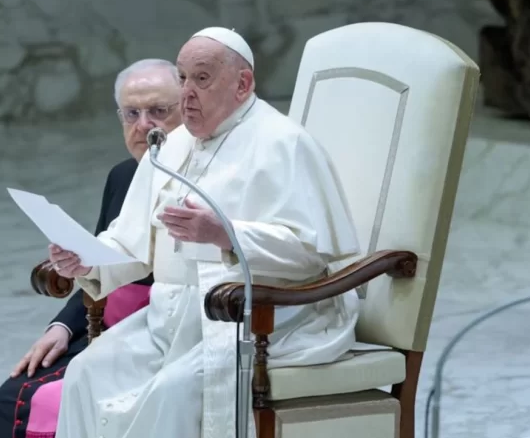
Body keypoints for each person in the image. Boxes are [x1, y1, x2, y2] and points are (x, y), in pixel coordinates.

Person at [49, 27, 361, 438]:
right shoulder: (171, 146)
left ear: (242, 84)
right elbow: (130, 241)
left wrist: (226, 235)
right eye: (182, 78)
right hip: (170, 322)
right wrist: (86, 259)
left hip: (262, 320)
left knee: (172, 393)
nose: (186, 93)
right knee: (86, 372)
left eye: (202, 78)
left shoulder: (283, 143)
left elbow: (308, 253)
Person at [0, 58, 182, 438]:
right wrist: (62, 325)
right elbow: (100, 266)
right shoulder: (123, 175)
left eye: (159, 111)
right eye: (132, 113)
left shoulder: (201, 180)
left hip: (163, 331)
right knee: (13, 395)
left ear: (187, 109)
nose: (144, 125)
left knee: (48, 399)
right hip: (103, 321)